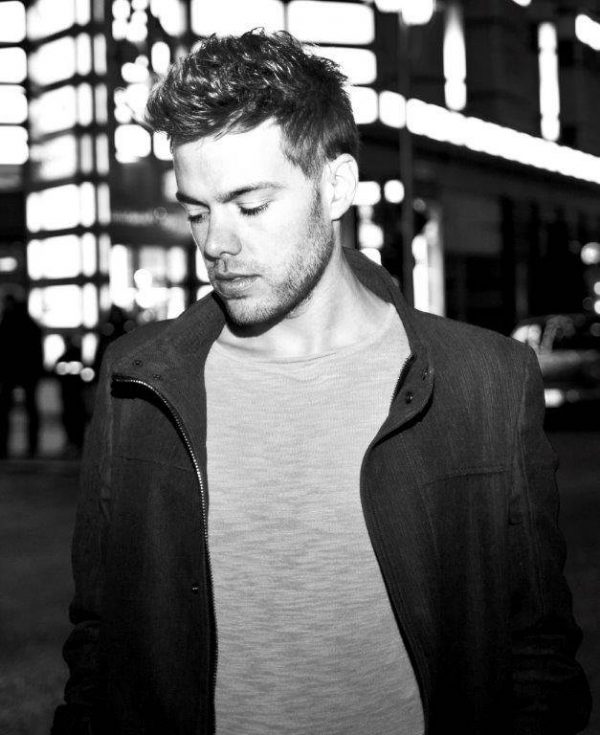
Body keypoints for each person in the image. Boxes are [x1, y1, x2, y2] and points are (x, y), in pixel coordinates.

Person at [52, 30, 591, 735]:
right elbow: (99, 648)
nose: (216, 245)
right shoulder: (135, 383)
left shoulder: (486, 382)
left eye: (250, 206)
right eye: (197, 211)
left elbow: (537, 655)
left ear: (335, 186)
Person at [0, 292, 44, 458]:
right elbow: (37, 353)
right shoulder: (30, 325)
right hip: (27, 373)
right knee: (31, 409)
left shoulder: (6, 323)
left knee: (5, 410)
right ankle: (32, 447)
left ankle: (3, 447)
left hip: (11, 373)